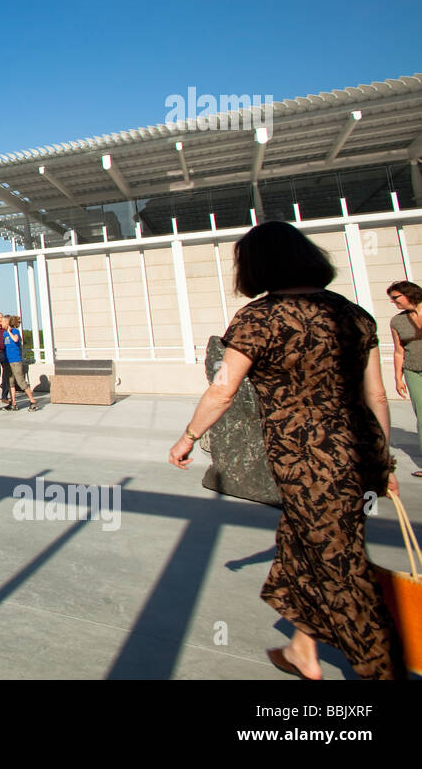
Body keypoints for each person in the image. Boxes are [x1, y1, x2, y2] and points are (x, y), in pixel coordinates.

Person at [169, 221, 402, 680]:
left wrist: (189, 436)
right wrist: (383, 459)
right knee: (303, 545)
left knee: (342, 570)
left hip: (306, 462)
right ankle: (302, 650)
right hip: (357, 452)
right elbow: (376, 396)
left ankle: (382, 670)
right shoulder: (355, 315)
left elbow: (222, 390)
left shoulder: (260, 318)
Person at [386, 280, 422, 478]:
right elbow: (399, 351)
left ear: (410, 294)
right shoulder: (397, 321)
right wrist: (398, 378)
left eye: (396, 297)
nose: (393, 302)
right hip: (413, 371)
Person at [3, 315, 40, 412]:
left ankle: (32, 401)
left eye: (3, 321)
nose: (1, 323)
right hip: (8, 361)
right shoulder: (4, 334)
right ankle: (13, 403)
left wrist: (9, 332)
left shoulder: (15, 332)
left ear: (8, 323)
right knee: (11, 383)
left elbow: (15, 339)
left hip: (16, 360)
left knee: (21, 381)